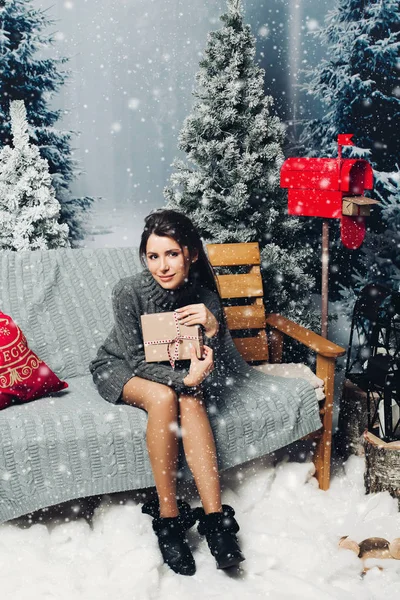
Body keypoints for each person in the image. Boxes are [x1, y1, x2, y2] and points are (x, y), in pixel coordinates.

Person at [89, 208, 246, 576]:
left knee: (191, 402)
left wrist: (213, 329)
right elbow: (137, 361)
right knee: (165, 397)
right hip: (121, 368)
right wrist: (185, 381)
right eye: (153, 256)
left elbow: (215, 367)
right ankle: (169, 519)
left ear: (190, 253)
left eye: (172, 254)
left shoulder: (204, 296)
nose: (162, 266)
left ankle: (216, 525)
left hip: (175, 371)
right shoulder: (128, 291)